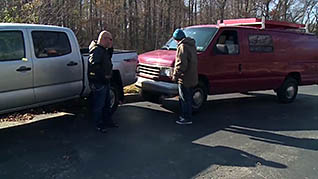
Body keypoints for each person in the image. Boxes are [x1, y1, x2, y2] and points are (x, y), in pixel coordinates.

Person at [88, 30, 118, 133]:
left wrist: (110, 49)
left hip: (105, 81)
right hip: (99, 82)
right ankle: (99, 124)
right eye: (110, 39)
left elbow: (108, 58)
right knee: (99, 105)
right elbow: (93, 66)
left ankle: (107, 121)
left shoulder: (104, 50)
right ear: (104, 39)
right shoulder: (96, 50)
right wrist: (103, 76)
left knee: (107, 103)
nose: (111, 41)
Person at [172, 29, 198, 125]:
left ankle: (186, 117)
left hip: (185, 78)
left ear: (176, 39)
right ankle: (188, 115)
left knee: (184, 98)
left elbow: (181, 64)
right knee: (189, 98)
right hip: (192, 76)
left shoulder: (182, 47)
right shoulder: (192, 45)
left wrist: (175, 75)